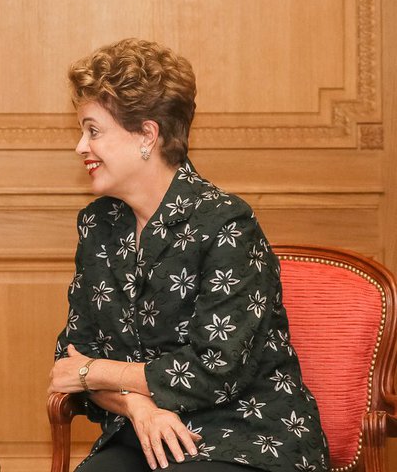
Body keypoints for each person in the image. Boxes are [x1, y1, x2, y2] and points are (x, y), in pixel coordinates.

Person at [49, 39, 329, 472]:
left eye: (93, 130)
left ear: (147, 134)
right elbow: (69, 362)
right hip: (144, 429)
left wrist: (97, 373)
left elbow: (213, 369)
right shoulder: (98, 225)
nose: (80, 147)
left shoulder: (226, 223)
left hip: (245, 435)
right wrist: (139, 408)